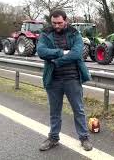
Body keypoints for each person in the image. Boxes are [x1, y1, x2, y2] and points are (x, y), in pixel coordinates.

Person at [37, 10, 92, 151]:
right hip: (53, 80)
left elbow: (76, 53)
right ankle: (53, 138)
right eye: (54, 23)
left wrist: (56, 61)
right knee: (54, 111)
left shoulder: (75, 33)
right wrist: (62, 52)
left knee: (78, 110)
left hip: (72, 79)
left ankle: (84, 138)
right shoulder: (45, 34)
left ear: (65, 20)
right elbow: (42, 52)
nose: (56, 26)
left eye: (59, 23)